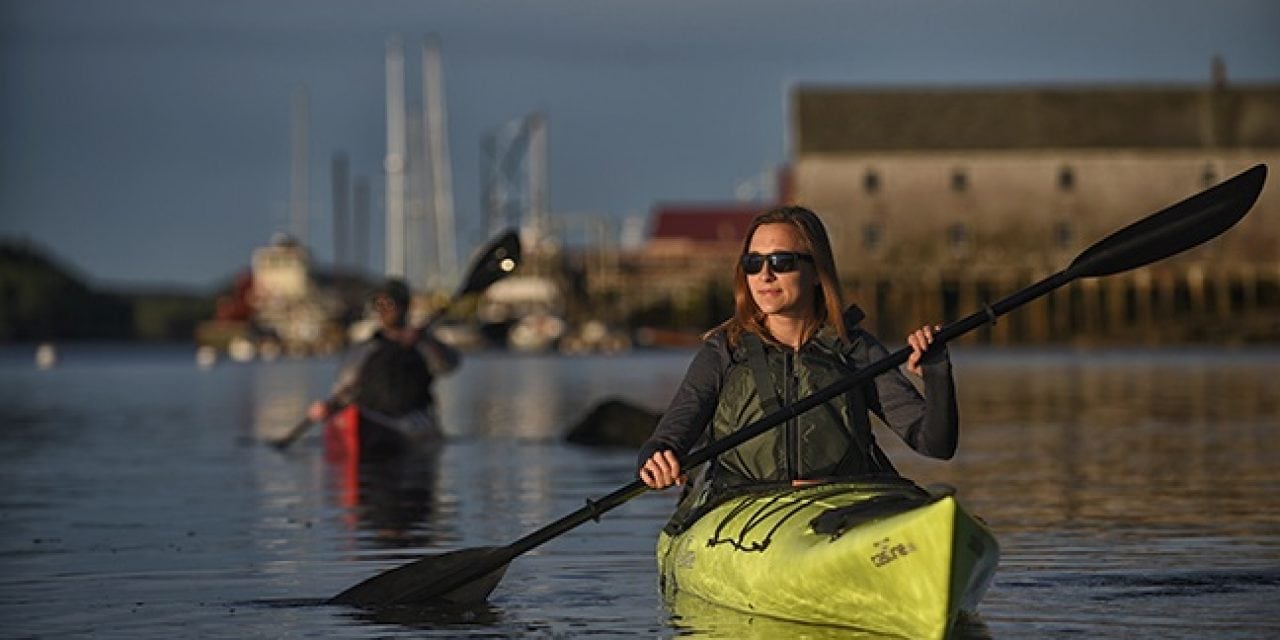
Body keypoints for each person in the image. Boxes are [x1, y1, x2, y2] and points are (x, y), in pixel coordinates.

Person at [637, 205, 958, 531]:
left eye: (781, 262)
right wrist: (655, 459)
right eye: (753, 263)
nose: (764, 275)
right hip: (743, 512)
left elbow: (935, 444)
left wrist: (937, 374)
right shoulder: (723, 351)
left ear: (817, 272)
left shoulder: (855, 348)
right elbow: (667, 440)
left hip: (842, 509)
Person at [308, 278, 461, 451]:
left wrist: (425, 340)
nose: (383, 311)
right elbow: (345, 387)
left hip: (413, 416)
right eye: (378, 305)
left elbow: (449, 365)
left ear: (404, 307)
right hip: (374, 416)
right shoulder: (365, 349)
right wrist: (329, 406)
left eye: (389, 304)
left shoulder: (423, 344)